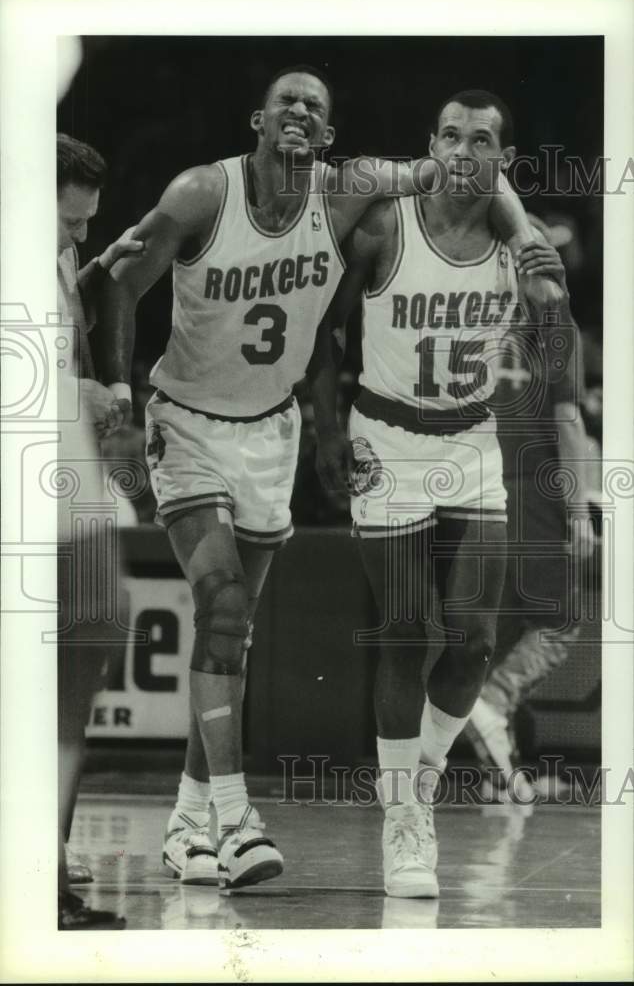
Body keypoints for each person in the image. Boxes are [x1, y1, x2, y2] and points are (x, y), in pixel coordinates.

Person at [96, 68, 560, 890]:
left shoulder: (348, 193)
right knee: (241, 611)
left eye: (317, 106)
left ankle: (204, 816)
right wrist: (122, 390)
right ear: (258, 120)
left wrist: (527, 234)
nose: (302, 113)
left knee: (453, 637)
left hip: (325, 432)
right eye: (287, 103)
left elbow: (468, 186)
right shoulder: (228, 196)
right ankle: (265, 816)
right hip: (242, 427)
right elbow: (133, 282)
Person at [310, 89, 568, 898]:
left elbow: (557, 346)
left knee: (474, 641)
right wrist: (324, 430)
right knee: (406, 631)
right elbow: (325, 329)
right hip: (385, 438)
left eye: (481, 139)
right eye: (450, 134)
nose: (463, 148)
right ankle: (404, 819)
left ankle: (419, 768)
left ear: (502, 161)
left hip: (469, 439)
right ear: (430, 143)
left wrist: (545, 286)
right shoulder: (387, 224)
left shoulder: (513, 241)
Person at [464, 214, 596, 799]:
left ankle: (501, 767)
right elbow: (567, 420)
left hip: (471, 483)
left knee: (501, 622)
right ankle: (491, 703)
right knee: (560, 622)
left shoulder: (464, 319)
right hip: (534, 483)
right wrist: (578, 509)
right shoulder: (554, 319)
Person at [56, 133, 142, 927]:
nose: (77, 234)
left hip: (57, 490)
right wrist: (79, 393)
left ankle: (43, 866)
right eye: (71, 222)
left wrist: (92, 263)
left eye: (89, 224)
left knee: (75, 676)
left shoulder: (53, 260)